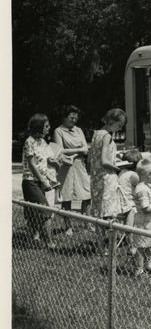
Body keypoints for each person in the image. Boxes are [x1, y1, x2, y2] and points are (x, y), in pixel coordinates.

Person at [88, 108, 128, 253]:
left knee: (99, 212)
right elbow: (105, 160)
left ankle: (100, 245)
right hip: (106, 178)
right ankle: (109, 245)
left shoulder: (96, 134)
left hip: (96, 177)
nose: (120, 128)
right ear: (113, 121)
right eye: (120, 124)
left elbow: (93, 158)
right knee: (110, 213)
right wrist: (118, 168)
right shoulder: (107, 136)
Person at [53, 105, 91, 235]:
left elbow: (85, 148)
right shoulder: (58, 131)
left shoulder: (79, 130)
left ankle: (87, 224)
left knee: (86, 194)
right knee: (67, 196)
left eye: (76, 118)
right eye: (71, 117)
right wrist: (78, 150)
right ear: (64, 117)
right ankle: (67, 226)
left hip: (80, 165)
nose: (74, 120)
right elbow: (60, 150)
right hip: (66, 166)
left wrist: (80, 151)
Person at [21, 113, 58, 248]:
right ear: (39, 127)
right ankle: (49, 242)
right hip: (30, 181)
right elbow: (32, 164)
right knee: (45, 210)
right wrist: (43, 180)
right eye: (46, 126)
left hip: (41, 181)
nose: (49, 128)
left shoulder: (42, 142)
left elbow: (48, 161)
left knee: (33, 211)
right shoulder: (29, 141)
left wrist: (57, 164)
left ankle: (33, 237)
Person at [132, 159, 151, 276]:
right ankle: (139, 270)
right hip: (143, 225)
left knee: (150, 244)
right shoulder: (142, 189)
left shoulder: (145, 186)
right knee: (141, 247)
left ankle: (148, 265)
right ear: (149, 175)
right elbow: (146, 208)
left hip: (149, 224)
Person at [117, 148, 143, 255]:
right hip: (128, 206)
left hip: (118, 204)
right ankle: (133, 245)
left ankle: (130, 241)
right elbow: (142, 186)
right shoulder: (133, 175)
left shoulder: (122, 172)